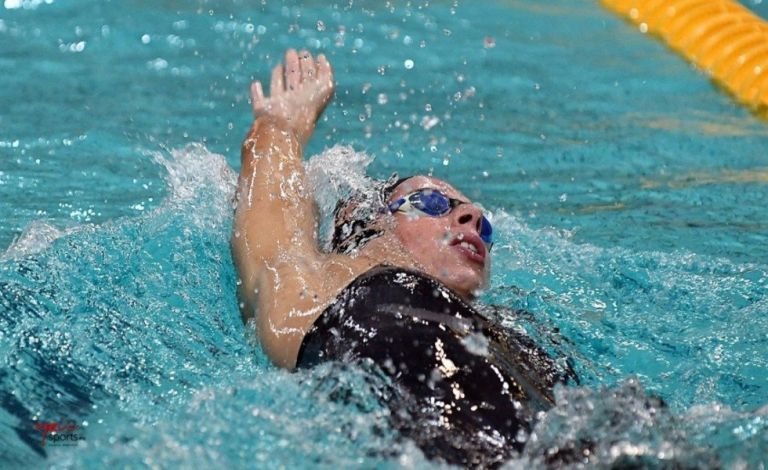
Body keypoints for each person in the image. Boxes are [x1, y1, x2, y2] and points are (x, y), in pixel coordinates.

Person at [231, 49, 576, 468]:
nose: (475, 217)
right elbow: (269, 222)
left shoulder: (512, 333)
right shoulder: (323, 283)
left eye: (482, 226)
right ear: (368, 224)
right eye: (432, 202)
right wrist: (281, 125)